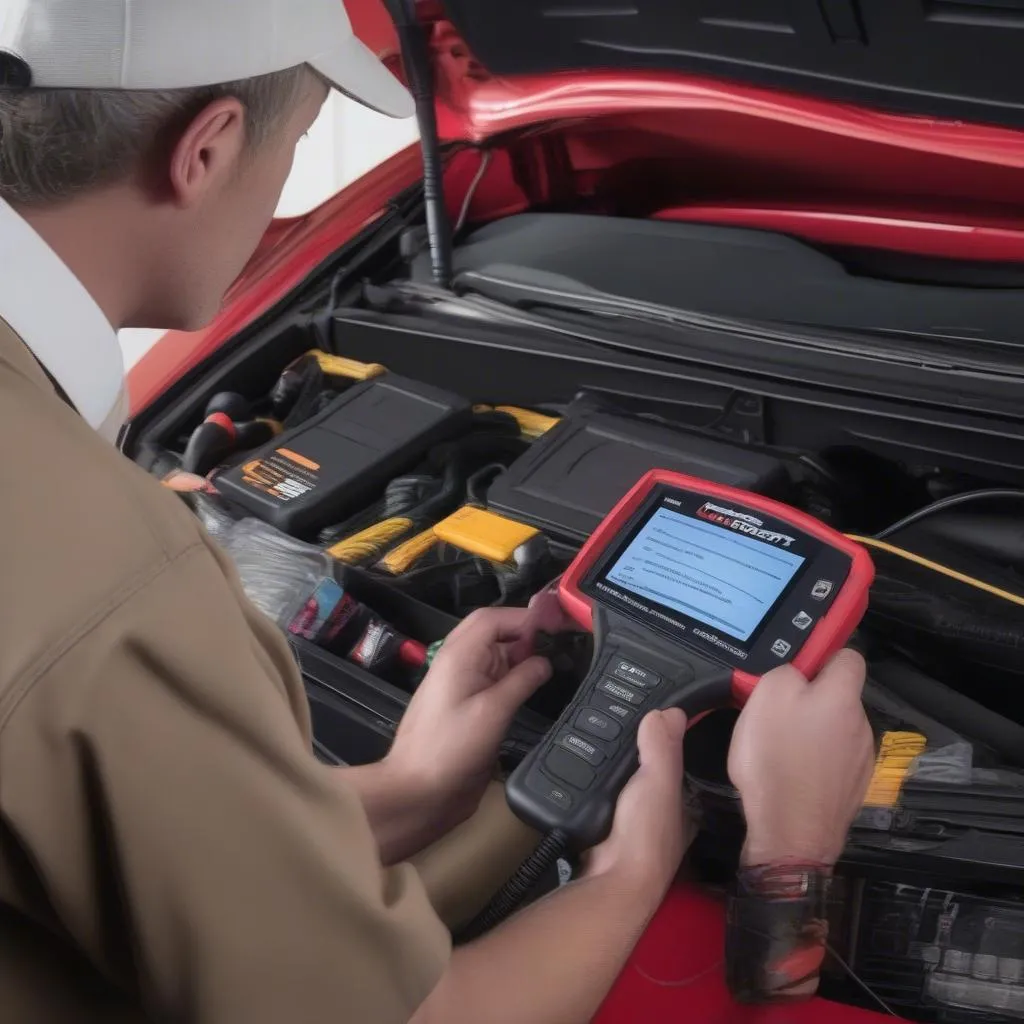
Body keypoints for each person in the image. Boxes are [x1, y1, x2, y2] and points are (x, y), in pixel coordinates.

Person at [0, 1, 877, 1021]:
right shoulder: (111, 582)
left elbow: (135, 851)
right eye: (293, 142)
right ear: (208, 148)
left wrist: (415, 785)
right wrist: (726, 864)